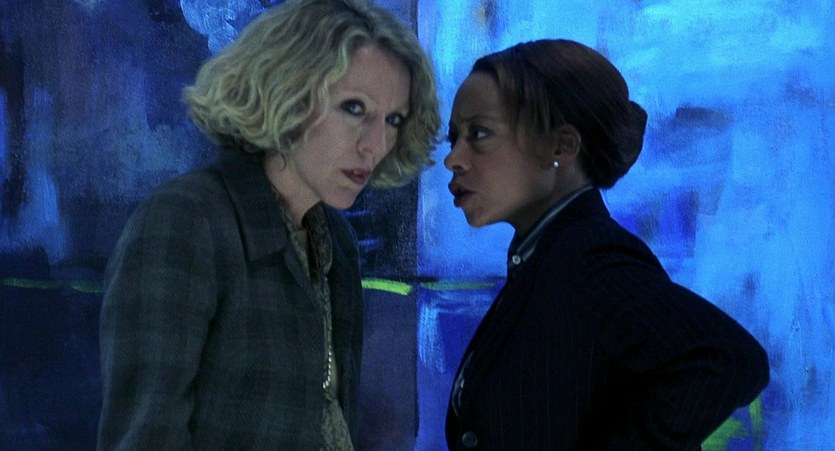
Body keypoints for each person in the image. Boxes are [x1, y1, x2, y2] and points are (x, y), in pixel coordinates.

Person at [97, 0, 440, 448]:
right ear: (286, 93)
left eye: (393, 120)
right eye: (354, 108)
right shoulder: (186, 221)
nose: (375, 144)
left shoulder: (335, 242)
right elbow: (146, 436)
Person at [443, 39, 769, 450]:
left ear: (561, 146)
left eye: (479, 134)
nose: (453, 159)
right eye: (453, 139)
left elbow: (728, 359)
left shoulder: (587, 256)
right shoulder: (543, 259)